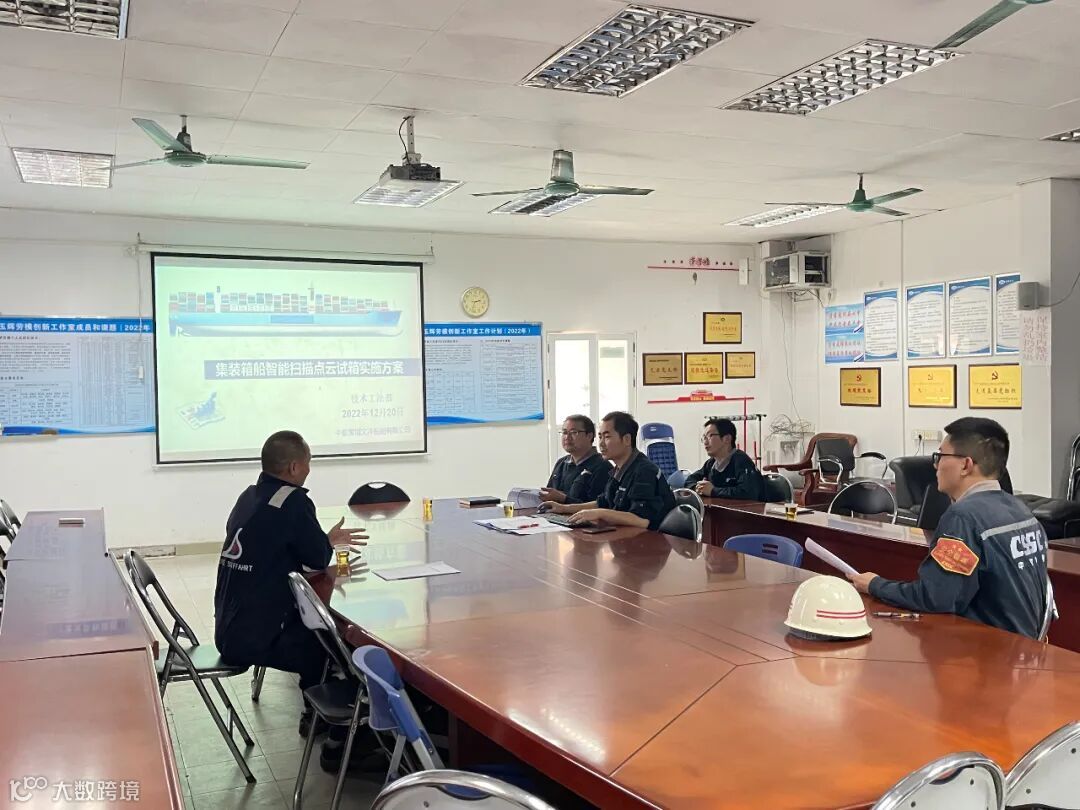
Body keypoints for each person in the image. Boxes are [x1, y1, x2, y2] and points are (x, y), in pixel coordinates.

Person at [214, 430, 367, 732]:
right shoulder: (293, 501)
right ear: (294, 467)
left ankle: (320, 715)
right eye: (308, 462)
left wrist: (323, 541)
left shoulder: (249, 496)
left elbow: (277, 545)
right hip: (255, 639)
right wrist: (325, 544)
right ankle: (327, 726)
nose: (309, 469)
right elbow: (316, 561)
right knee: (332, 644)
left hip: (228, 628)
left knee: (315, 628)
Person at [849, 417, 1048, 639]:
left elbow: (936, 597)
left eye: (940, 456)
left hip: (988, 650)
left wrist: (875, 585)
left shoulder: (964, 517)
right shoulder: (1020, 510)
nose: (935, 466)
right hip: (1025, 645)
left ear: (966, 465)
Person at [544, 411, 675, 530]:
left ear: (627, 439)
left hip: (651, 542)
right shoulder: (619, 469)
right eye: (600, 437)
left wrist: (600, 514)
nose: (601, 444)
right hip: (625, 538)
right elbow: (602, 503)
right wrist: (563, 508)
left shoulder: (644, 471)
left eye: (607, 437)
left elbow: (641, 520)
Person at [684, 417, 765, 500]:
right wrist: (698, 488)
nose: (705, 442)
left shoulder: (741, 461)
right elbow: (689, 480)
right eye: (704, 437)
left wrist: (713, 491)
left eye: (710, 436)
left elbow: (748, 492)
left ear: (727, 439)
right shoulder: (711, 463)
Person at [540, 414, 612, 504]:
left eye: (573, 432)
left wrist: (563, 499)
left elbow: (598, 506)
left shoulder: (602, 466)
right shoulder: (561, 463)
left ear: (589, 436)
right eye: (564, 432)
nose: (567, 437)